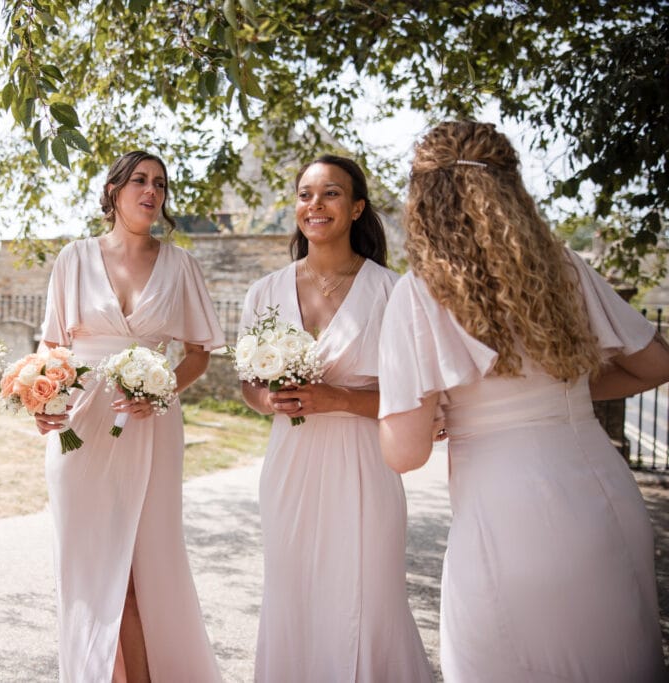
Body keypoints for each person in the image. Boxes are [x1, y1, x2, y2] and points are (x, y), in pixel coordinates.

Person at [378, 120, 669, 681]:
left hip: (506, 512)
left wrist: (438, 410)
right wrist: (569, 389)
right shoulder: (566, 270)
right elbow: (655, 363)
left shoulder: (419, 294)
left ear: (424, 201)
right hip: (604, 494)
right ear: (512, 189)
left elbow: (404, 453)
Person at [239, 155, 433, 682]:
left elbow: (418, 403)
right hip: (291, 465)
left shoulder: (393, 292)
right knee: (293, 589)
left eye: (330, 194)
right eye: (305, 194)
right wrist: (268, 402)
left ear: (356, 208)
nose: (314, 205)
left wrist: (340, 400)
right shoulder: (264, 293)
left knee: (368, 593)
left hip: (365, 464)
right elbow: (247, 384)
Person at [35, 151, 224, 682]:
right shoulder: (72, 258)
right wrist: (44, 403)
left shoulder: (180, 264)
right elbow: (51, 347)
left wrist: (160, 393)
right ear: (114, 190)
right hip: (81, 427)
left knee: (144, 568)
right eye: (139, 180)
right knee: (90, 564)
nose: (151, 191)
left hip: (151, 422)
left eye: (160, 183)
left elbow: (198, 353)